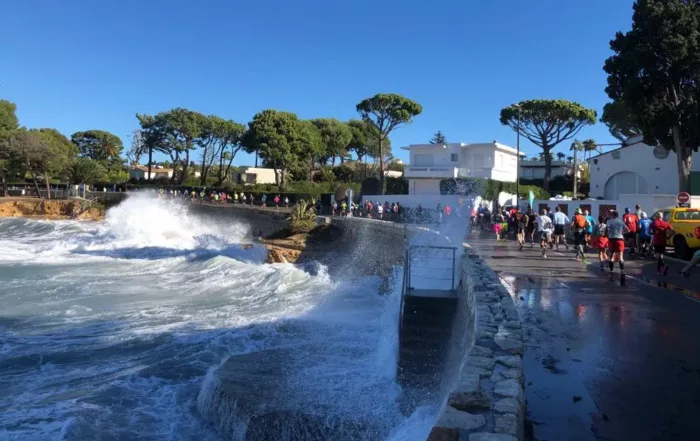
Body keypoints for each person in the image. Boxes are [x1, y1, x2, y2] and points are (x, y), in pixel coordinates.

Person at [606, 210, 630, 285]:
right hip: (620, 239)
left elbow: (606, 230)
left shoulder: (609, 221)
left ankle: (611, 271)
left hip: (612, 239)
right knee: (620, 257)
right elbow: (628, 230)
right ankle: (622, 271)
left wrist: (608, 234)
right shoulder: (621, 222)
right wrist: (622, 233)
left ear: (612, 215)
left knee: (611, 256)